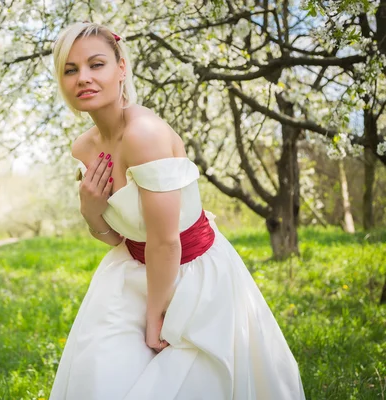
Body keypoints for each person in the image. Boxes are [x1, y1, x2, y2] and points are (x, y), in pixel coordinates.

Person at [48, 21, 305, 400]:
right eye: (71, 70)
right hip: (129, 272)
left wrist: (156, 318)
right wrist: (91, 211)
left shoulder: (144, 134)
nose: (83, 78)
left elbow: (167, 241)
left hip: (191, 274)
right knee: (100, 373)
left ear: (122, 68)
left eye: (96, 64)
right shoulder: (83, 148)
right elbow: (118, 238)